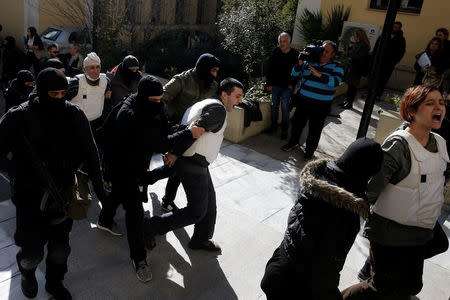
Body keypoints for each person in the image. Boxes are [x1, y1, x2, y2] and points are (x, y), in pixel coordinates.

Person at [0, 67, 107, 300]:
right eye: (54, 95)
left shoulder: (74, 114)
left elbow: (91, 153)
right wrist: (15, 169)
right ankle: (26, 271)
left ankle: (54, 283)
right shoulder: (19, 116)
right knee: (32, 254)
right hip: (30, 197)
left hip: (63, 192)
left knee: (60, 250)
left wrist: (100, 189)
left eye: (63, 94)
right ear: (41, 92)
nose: (60, 99)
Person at [341, 85, 449, 300]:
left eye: (441, 102)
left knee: (411, 287)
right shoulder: (398, 146)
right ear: (411, 111)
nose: (439, 107)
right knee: (380, 288)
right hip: (389, 233)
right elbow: (372, 189)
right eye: (430, 103)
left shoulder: (440, 142)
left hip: (420, 230)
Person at [96, 75, 204, 282]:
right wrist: (189, 134)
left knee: (118, 195)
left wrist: (184, 129)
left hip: (137, 162)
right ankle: (139, 259)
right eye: (154, 100)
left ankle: (104, 219)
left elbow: (164, 130)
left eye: (161, 99)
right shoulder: (129, 114)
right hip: (121, 166)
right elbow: (159, 145)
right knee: (134, 213)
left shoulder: (154, 105)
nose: (159, 103)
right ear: (143, 97)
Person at [261, 138, 383, 300]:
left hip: (276, 271)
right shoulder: (347, 213)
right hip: (299, 289)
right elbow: (326, 267)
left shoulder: (314, 181)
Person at [143, 78, 243, 257]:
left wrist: (174, 151)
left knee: (209, 204)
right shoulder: (217, 109)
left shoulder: (206, 103)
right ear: (224, 94)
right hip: (192, 163)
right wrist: (174, 152)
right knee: (197, 211)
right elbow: (195, 130)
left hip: (197, 161)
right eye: (237, 96)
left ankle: (201, 239)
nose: (240, 100)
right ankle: (150, 226)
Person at [161, 53, 220, 212]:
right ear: (205, 68)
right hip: (175, 127)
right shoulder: (182, 80)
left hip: (194, 131)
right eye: (213, 70)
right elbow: (162, 98)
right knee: (173, 165)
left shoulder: (212, 86)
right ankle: (155, 190)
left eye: (217, 71)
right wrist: (169, 122)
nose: (215, 75)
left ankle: (167, 199)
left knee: (177, 165)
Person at [281, 41, 344, 161]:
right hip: (304, 100)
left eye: (327, 51)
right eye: (322, 49)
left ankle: (309, 152)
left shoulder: (337, 66)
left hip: (322, 104)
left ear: (333, 54)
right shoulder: (309, 60)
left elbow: (335, 82)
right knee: (297, 123)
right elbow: (294, 74)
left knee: (315, 128)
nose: (323, 53)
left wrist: (319, 74)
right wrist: (299, 63)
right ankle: (292, 143)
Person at [266, 32, 299, 139]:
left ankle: (284, 130)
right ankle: (274, 126)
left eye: (284, 41)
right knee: (274, 106)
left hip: (287, 87)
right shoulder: (275, 51)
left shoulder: (295, 54)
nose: (282, 43)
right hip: (275, 85)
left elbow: (298, 72)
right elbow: (269, 68)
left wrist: (292, 84)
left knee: (285, 107)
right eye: (280, 41)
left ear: (289, 42)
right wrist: (269, 83)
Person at [68, 52, 111, 134]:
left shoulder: (105, 81)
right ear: (84, 69)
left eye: (98, 67)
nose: (96, 70)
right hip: (78, 126)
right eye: (92, 68)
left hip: (97, 124)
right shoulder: (76, 83)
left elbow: (107, 98)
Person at [373, 21, 406, 101]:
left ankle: (378, 95)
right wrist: (374, 58)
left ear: (399, 29)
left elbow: (401, 52)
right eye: (394, 27)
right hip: (379, 61)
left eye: (397, 27)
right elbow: (376, 46)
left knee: (383, 79)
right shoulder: (384, 35)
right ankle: (371, 93)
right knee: (375, 78)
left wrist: (395, 61)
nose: (395, 29)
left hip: (389, 63)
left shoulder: (401, 39)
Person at [340, 29, 371, 109]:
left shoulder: (363, 46)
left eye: (355, 35)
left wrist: (349, 52)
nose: (354, 37)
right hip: (353, 67)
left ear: (358, 36)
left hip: (356, 69)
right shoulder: (358, 44)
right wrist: (350, 49)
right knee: (350, 86)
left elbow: (358, 57)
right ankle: (346, 101)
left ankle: (349, 103)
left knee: (353, 87)